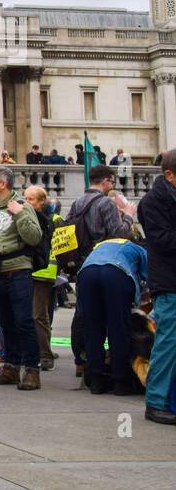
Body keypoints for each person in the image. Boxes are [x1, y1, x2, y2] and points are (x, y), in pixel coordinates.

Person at [0, 166, 43, 390]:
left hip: (18, 271)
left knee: (24, 320)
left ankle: (32, 369)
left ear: (2, 184)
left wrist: (20, 213)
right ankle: (11, 366)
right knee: (5, 323)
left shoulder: (22, 206)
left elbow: (34, 238)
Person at [66, 165, 134, 377]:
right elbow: (119, 234)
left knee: (84, 315)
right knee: (113, 318)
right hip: (106, 263)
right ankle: (117, 370)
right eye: (111, 182)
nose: (112, 185)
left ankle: (82, 360)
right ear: (105, 181)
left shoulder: (77, 202)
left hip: (83, 265)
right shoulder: (105, 203)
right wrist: (128, 215)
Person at [75, 232, 148, 395]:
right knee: (118, 328)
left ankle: (95, 380)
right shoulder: (136, 248)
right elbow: (150, 277)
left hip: (87, 274)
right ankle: (120, 382)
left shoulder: (99, 246)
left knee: (93, 328)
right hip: (116, 273)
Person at [137, 150, 176, 424]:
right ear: (170, 175)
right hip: (170, 280)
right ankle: (156, 401)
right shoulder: (154, 201)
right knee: (168, 341)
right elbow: (162, 240)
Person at [25, 186, 63, 371]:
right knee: (35, 315)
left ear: (42, 201)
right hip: (26, 271)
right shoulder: (26, 217)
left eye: (31, 199)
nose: (27, 202)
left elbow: (64, 247)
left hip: (44, 272)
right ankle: (34, 352)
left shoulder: (55, 220)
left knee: (38, 315)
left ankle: (45, 355)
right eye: (26, 198)